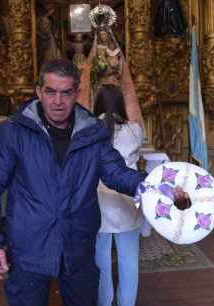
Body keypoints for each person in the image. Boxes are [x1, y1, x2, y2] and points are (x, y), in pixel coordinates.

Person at [0, 59, 188, 306]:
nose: (58, 101)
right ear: (38, 92)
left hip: (78, 244)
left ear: (77, 93)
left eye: (66, 93)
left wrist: (158, 186)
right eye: (51, 91)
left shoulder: (93, 132)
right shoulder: (13, 132)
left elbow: (118, 174)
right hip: (28, 244)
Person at [93, 84, 144, 306]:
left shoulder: (91, 129)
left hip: (99, 198)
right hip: (128, 196)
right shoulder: (135, 130)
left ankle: (103, 302)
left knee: (100, 260)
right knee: (129, 258)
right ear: (121, 104)